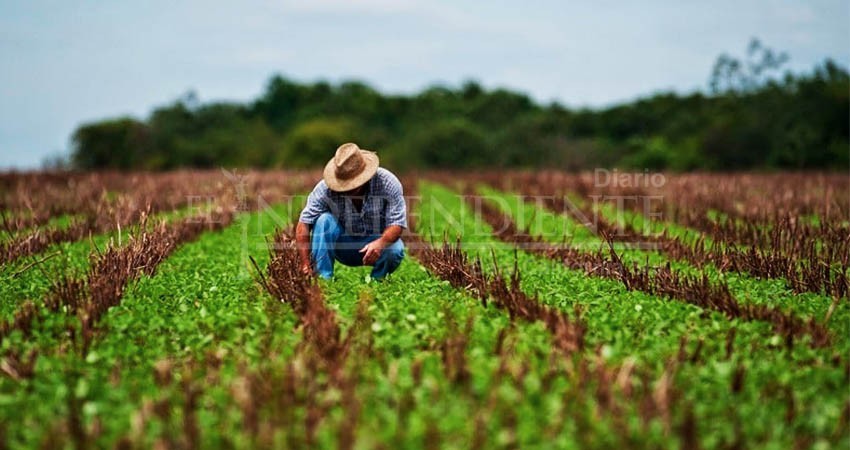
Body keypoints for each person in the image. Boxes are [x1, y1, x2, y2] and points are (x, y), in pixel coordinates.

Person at [296, 142, 407, 280]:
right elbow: (303, 224)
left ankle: (377, 282)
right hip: (342, 245)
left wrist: (380, 243)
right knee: (324, 220)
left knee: (395, 249)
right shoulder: (324, 189)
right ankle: (323, 280)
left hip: (376, 242)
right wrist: (305, 264)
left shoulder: (388, 183)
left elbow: (397, 224)